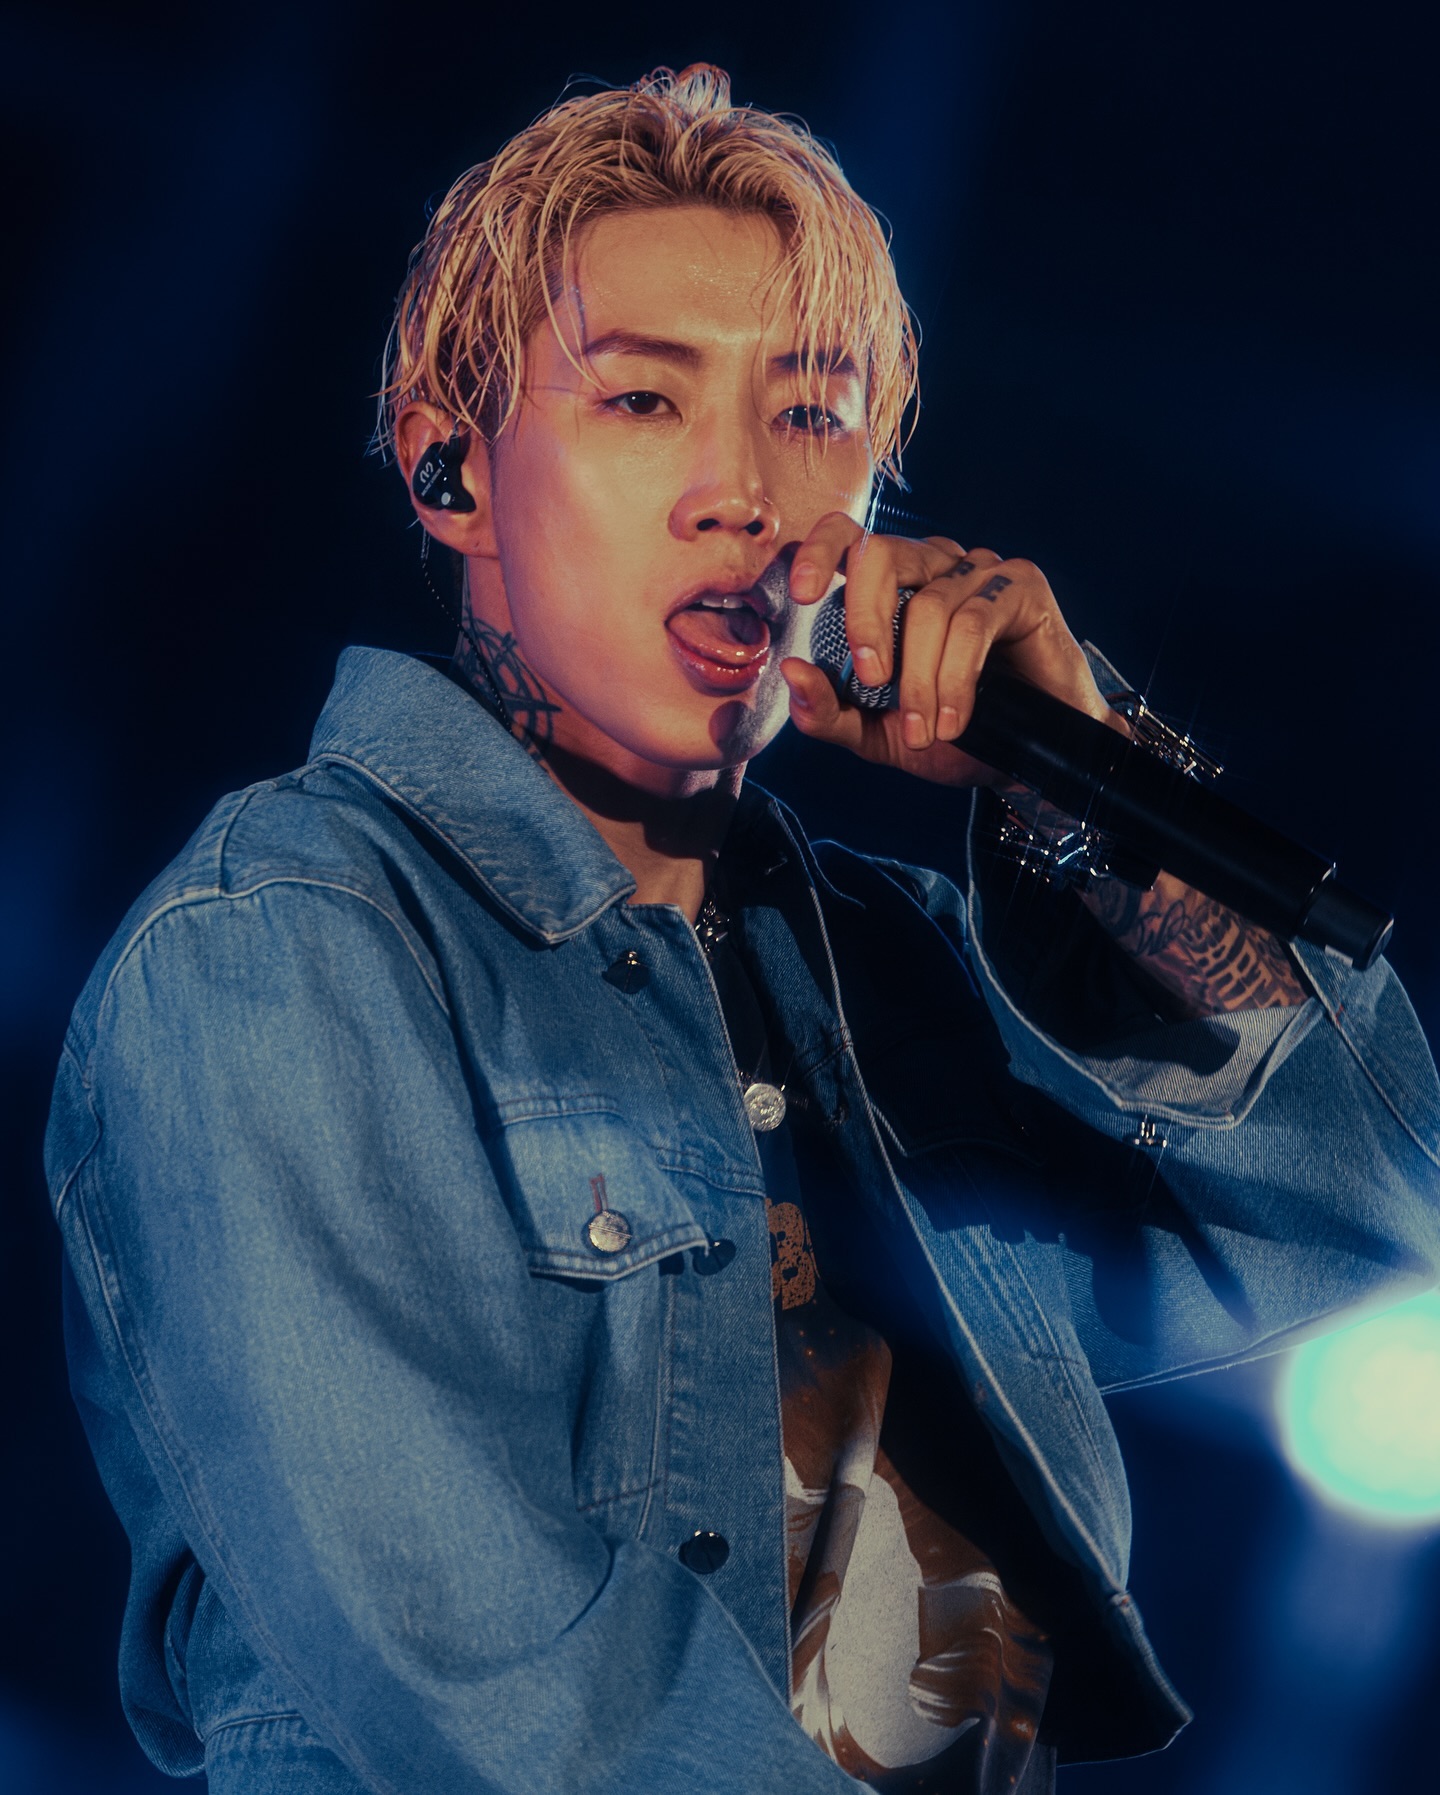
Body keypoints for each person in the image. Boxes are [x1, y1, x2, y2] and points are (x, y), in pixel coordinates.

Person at [45, 64, 1440, 1795]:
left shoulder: (900, 983)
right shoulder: (288, 945)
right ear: (449, 465)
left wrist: (1086, 791)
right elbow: (493, 1676)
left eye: (812, 412)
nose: (744, 493)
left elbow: (1376, 1230)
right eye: (645, 401)